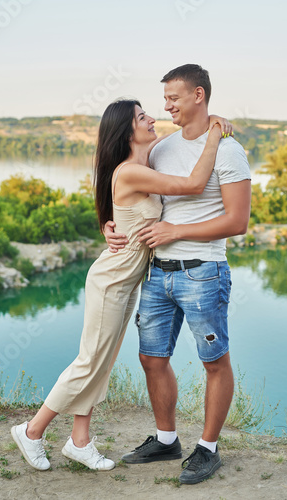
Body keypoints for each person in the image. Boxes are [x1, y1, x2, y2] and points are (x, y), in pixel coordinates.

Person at [10, 98, 229, 472]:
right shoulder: (130, 172)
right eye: (143, 117)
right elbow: (193, 184)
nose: (153, 119)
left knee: (103, 362)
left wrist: (108, 226)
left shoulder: (145, 161)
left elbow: (130, 207)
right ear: (127, 132)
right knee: (87, 362)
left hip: (129, 283)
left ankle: (80, 442)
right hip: (111, 282)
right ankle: (32, 431)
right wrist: (215, 135)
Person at [104, 64, 251, 485]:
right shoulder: (163, 148)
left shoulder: (228, 150)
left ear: (199, 95)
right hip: (157, 272)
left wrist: (178, 231)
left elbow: (238, 221)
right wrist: (110, 224)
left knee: (214, 362)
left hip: (203, 272)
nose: (165, 106)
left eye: (173, 97)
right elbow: (126, 189)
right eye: (163, 99)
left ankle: (207, 449)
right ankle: (167, 440)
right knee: (151, 358)